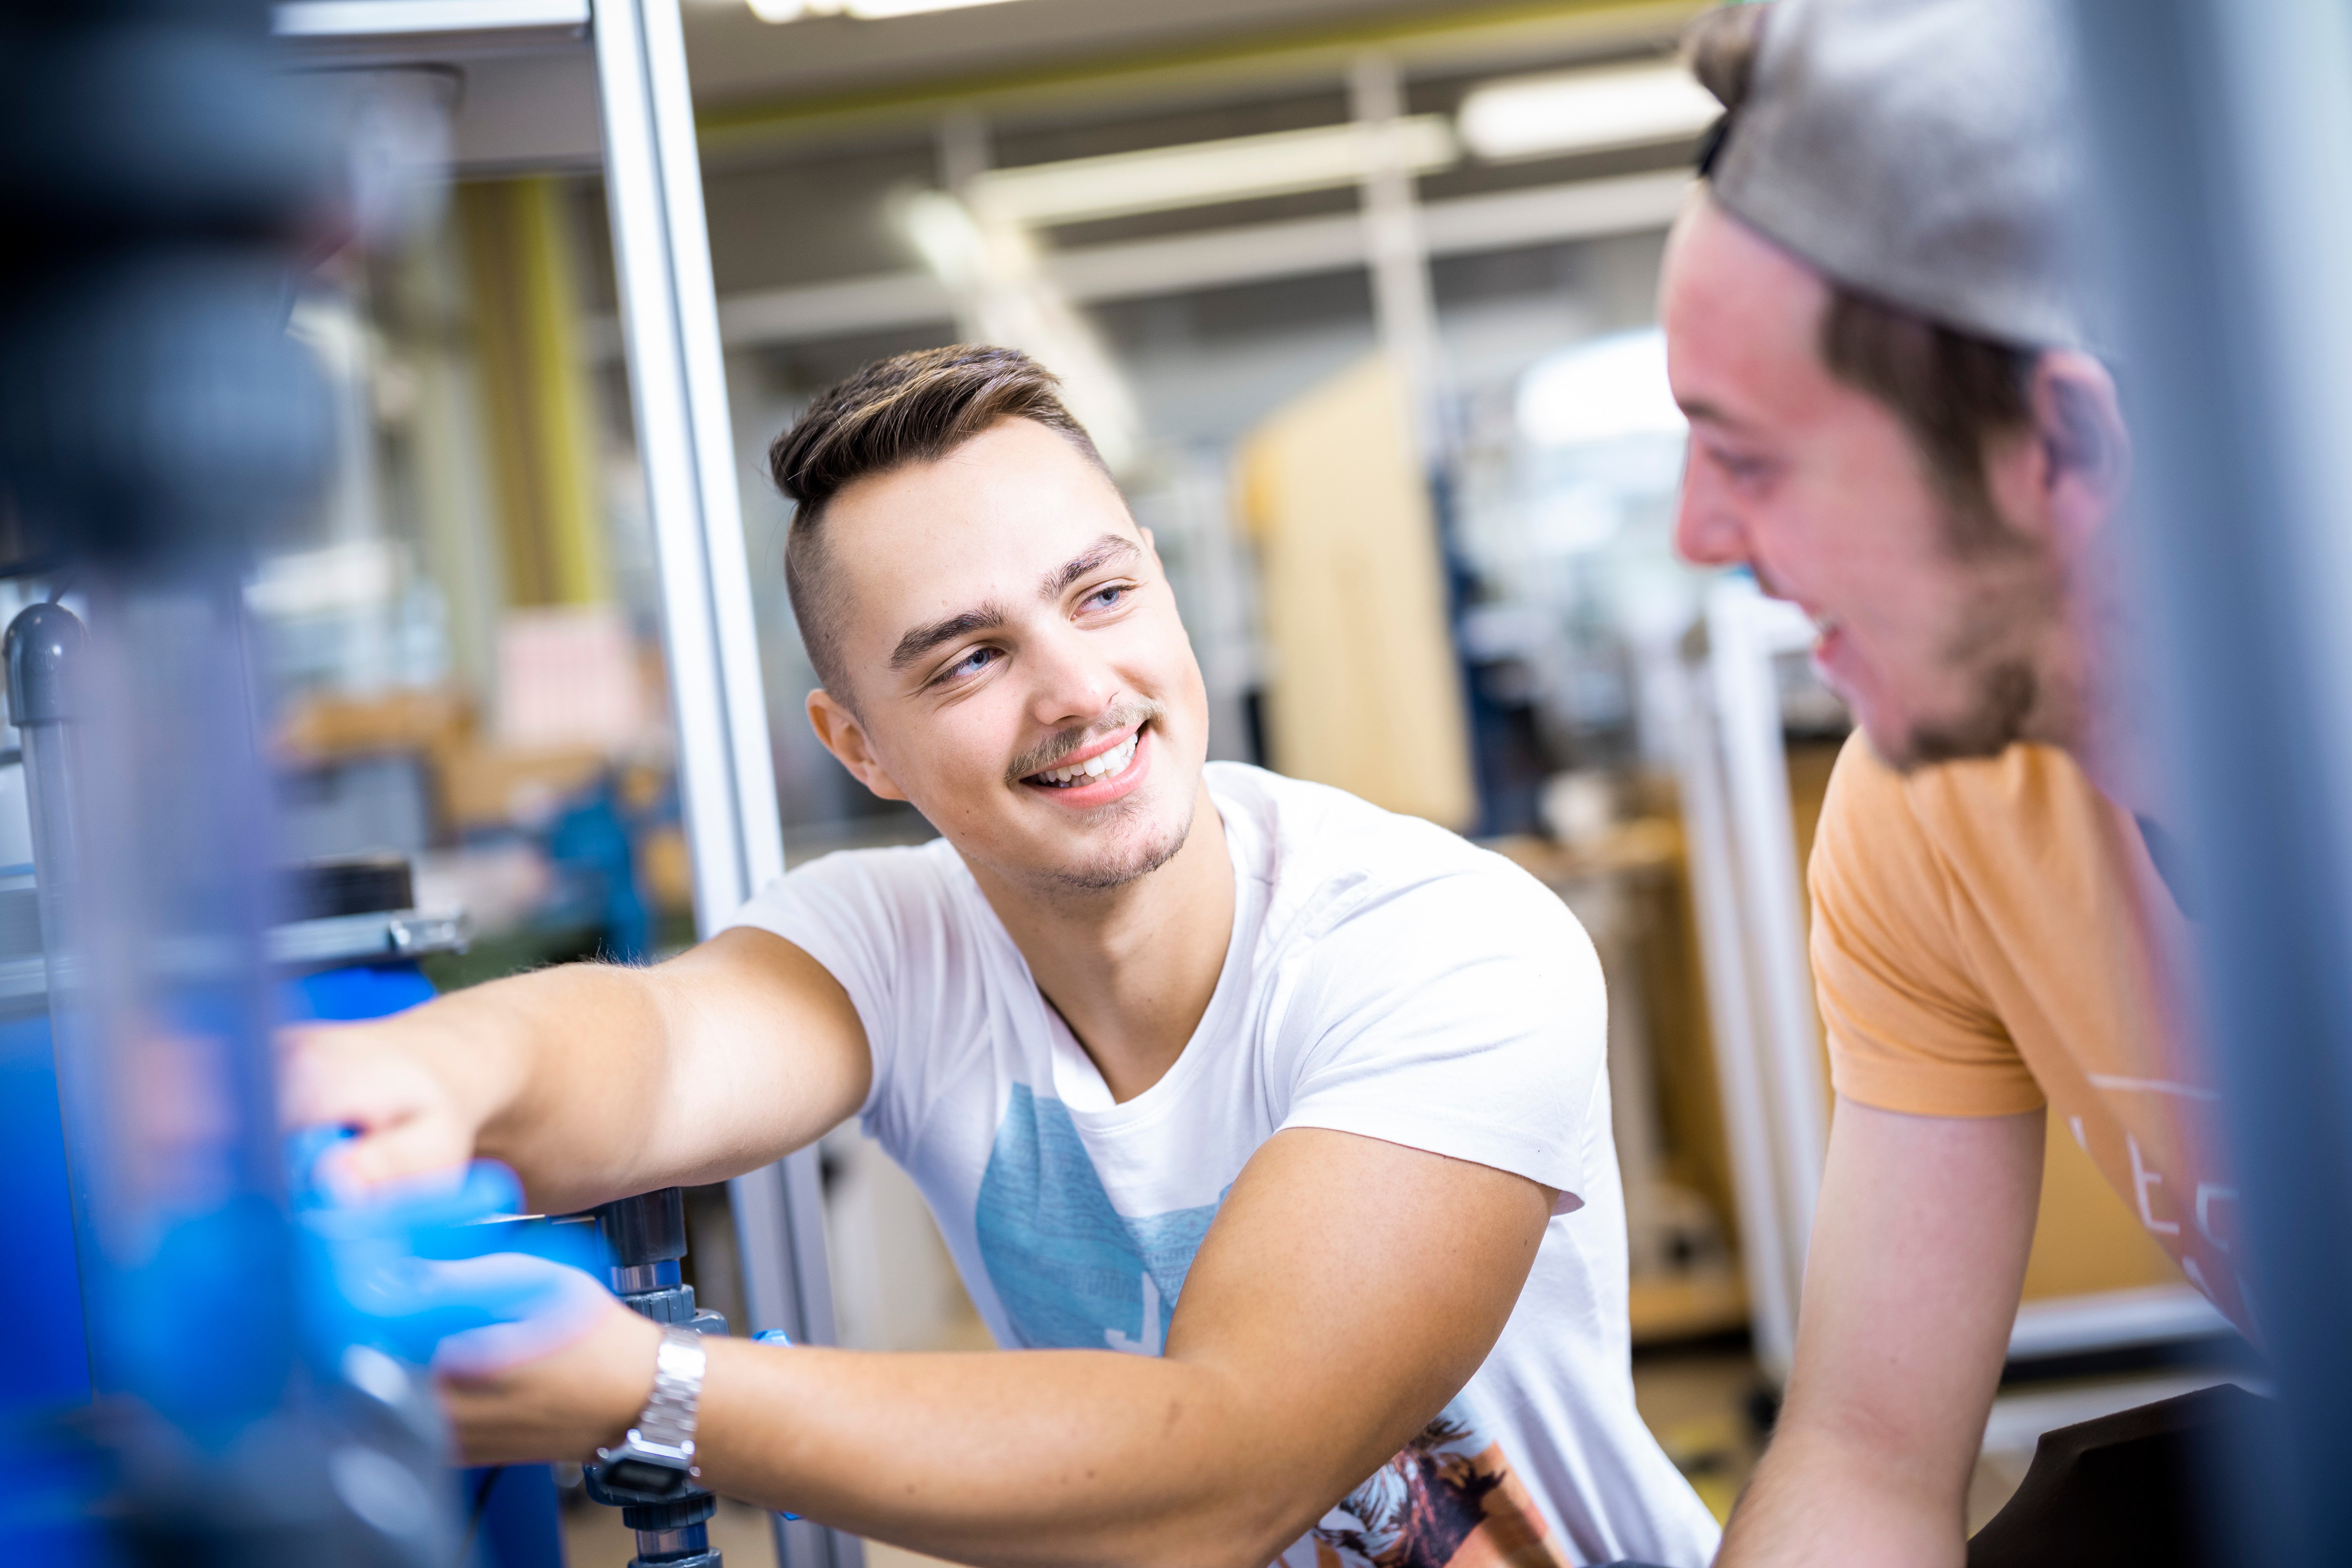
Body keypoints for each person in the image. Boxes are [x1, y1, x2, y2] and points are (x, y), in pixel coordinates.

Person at [286, 346, 1721, 1567]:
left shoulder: (1437, 943)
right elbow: (663, 1050)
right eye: (966, 659)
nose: (1079, 692)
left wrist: (652, 1393)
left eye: (1099, 598)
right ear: (859, 744)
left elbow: (1238, 1462)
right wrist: (418, 1069)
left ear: (1161, 589)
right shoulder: (896, 936)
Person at [1659, 2, 2245, 1563]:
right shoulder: (1928, 804)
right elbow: (1865, 1449)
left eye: (1756, 454)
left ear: (2060, 442)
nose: (1697, 535)